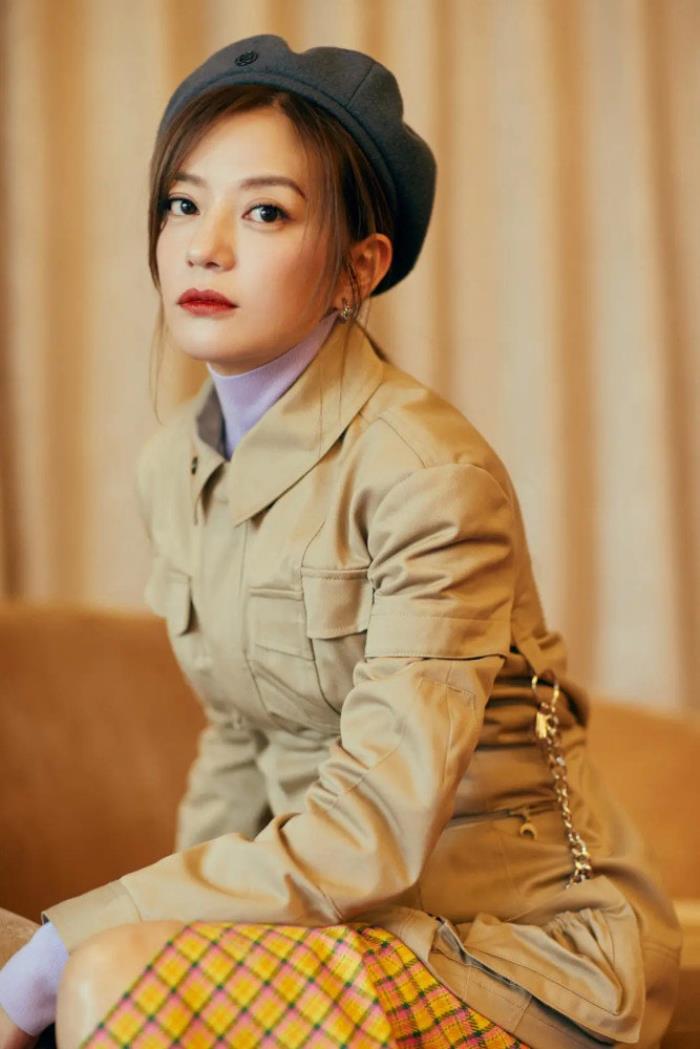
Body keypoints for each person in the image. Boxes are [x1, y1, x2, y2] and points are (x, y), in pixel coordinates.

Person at [0, 34, 682, 1049]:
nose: (205, 246)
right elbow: (240, 745)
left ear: (357, 267)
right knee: (74, 955)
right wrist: (148, 923)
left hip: (512, 949)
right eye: (183, 203)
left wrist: (91, 941)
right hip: (335, 929)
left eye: (264, 212)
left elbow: (373, 829)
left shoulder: (428, 475)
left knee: (106, 974)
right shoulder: (173, 466)